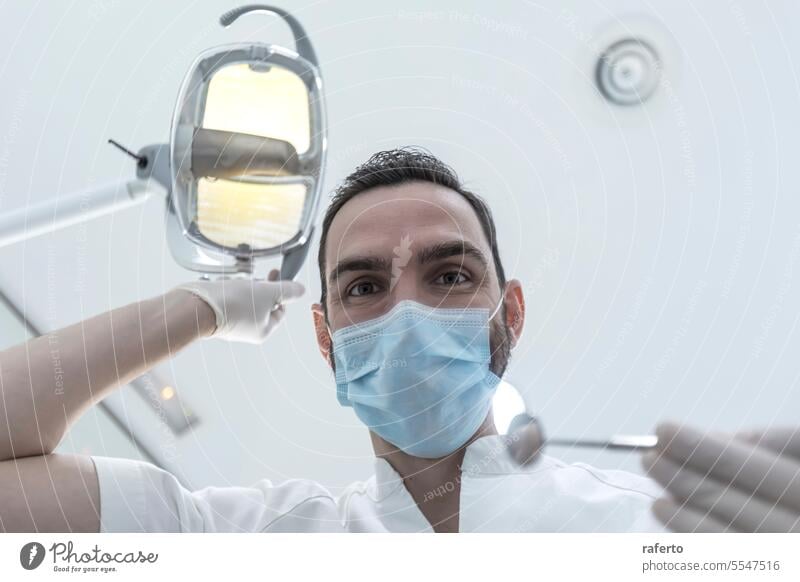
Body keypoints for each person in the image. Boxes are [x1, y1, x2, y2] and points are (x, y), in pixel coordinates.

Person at [0, 148, 665, 533]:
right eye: (365, 288)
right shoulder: (253, 541)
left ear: (510, 311)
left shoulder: (651, 529)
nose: (408, 316)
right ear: (327, 339)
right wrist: (195, 309)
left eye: (450, 275)